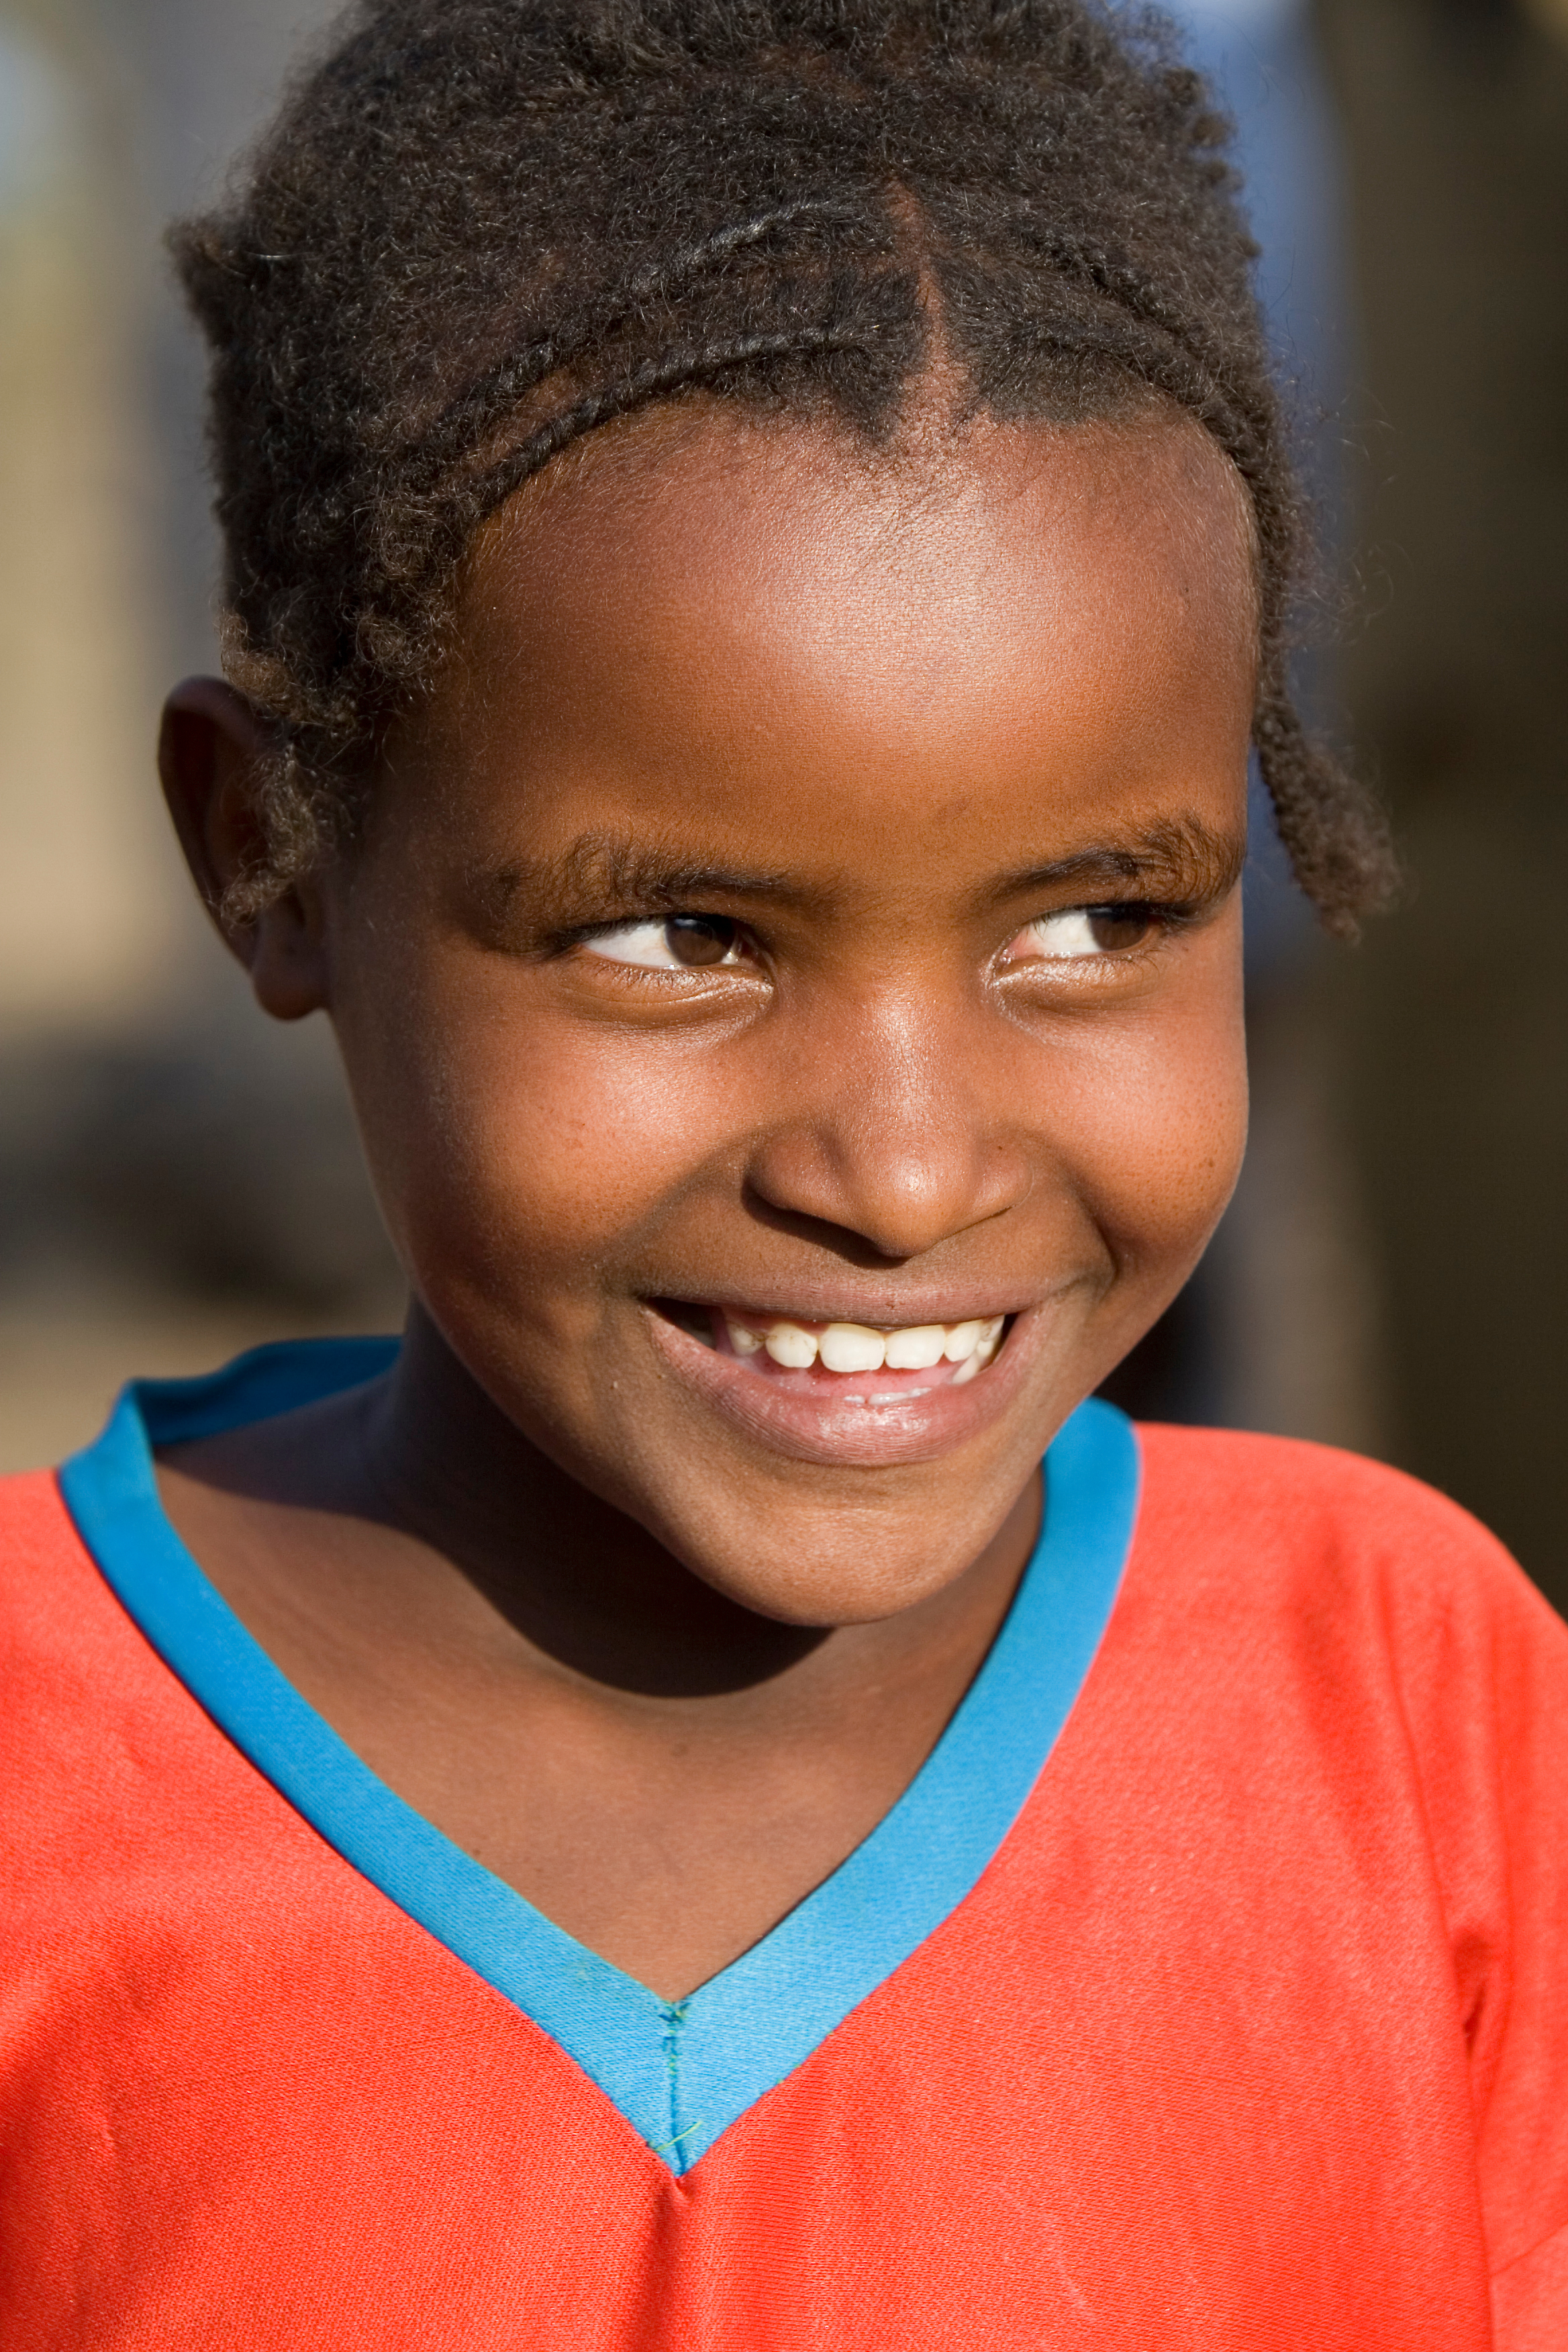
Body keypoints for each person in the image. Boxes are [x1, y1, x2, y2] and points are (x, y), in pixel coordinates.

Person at [1, 2, 1562, 2343]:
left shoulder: (1413, 1713)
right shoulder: (40, 1787)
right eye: (682, 936)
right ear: (271, 855)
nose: (910, 1172)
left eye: (1095, 922)